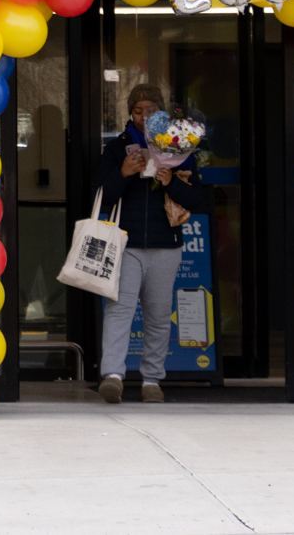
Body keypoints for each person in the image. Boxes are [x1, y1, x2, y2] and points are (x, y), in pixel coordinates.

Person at [95, 82, 207, 403]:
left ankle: (152, 381)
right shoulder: (117, 148)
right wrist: (123, 172)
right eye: (138, 111)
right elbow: (103, 195)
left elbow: (196, 198)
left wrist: (170, 181)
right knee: (120, 310)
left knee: (159, 314)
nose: (145, 116)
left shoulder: (179, 148)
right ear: (130, 113)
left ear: (163, 113)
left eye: (152, 110)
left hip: (166, 244)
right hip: (126, 243)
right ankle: (113, 376)